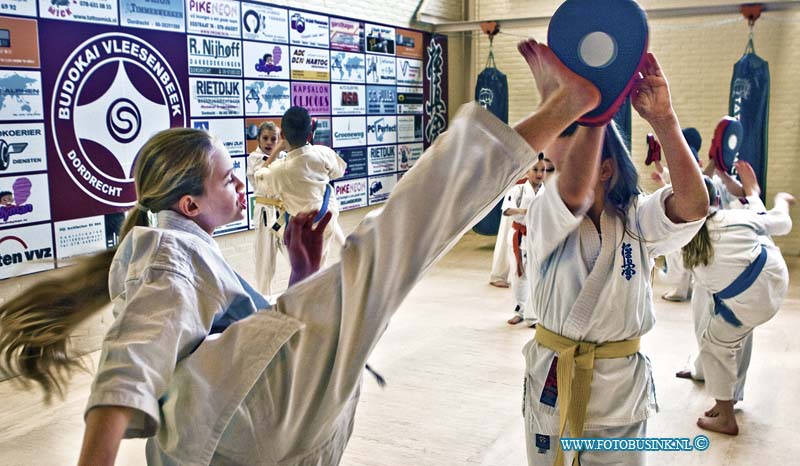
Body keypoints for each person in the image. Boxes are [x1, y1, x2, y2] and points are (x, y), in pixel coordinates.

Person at [0, 38, 603, 466]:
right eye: (223, 177)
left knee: (372, 266)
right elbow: (133, 355)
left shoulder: (173, 244)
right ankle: (562, 108)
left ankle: (560, 108)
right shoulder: (164, 252)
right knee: (396, 241)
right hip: (244, 418)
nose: (238, 178)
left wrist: (305, 270)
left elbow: (221, 331)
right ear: (187, 204)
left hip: (240, 434)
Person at [521, 51, 709, 466]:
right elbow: (572, 190)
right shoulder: (545, 211)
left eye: (562, 158)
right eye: (552, 165)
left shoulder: (636, 218)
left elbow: (695, 206)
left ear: (605, 170)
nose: (553, 172)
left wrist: (665, 121)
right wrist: (592, 110)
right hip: (554, 381)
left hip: (619, 392)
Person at [678, 160, 794, 436]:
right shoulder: (734, 218)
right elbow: (783, 223)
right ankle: (728, 398)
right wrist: (761, 196)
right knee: (760, 238)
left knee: (714, 345)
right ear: (717, 199)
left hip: (745, 304)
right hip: (773, 282)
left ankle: (726, 415)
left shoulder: (685, 242)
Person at [254, 107, 347, 267]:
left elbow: (259, 178)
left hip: (301, 230)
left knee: (308, 271)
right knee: (319, 265)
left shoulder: (278, 170)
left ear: (282, 136)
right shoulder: (323, 153)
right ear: (310, 135)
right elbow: (339, 172)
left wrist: (277, 150)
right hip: (326, 221)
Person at [651, 128, 703, 302]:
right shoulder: (692, 161)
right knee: (688, 255)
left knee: (677, 254)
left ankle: (680, 290)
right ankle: (686, 288)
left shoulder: (685, 161)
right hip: (698, 219)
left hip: (685, 218)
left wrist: (661, 183)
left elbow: (679, 191)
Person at [504, 153, 554, 326]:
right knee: (519, 276)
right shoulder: (517, 189)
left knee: (537, 276)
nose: (539, 174)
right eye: (535, 170)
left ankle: (533, 316)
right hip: (519, 238)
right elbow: (506, 210)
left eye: (543, 170)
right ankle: (519, 311)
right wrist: (524, 211)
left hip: (538, 239)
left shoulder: (548, 192)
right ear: (527, 171)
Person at [246, 121, 287, 295]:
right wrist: (278, 150)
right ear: (258, 140)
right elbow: (261, 175)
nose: (270, 143)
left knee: (297, 258)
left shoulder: (285, 157)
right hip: (265, 214)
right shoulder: (254, 159)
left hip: (284, 213)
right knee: (265, 264)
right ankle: (264, 300)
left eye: (273, 139)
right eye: (265, 138)